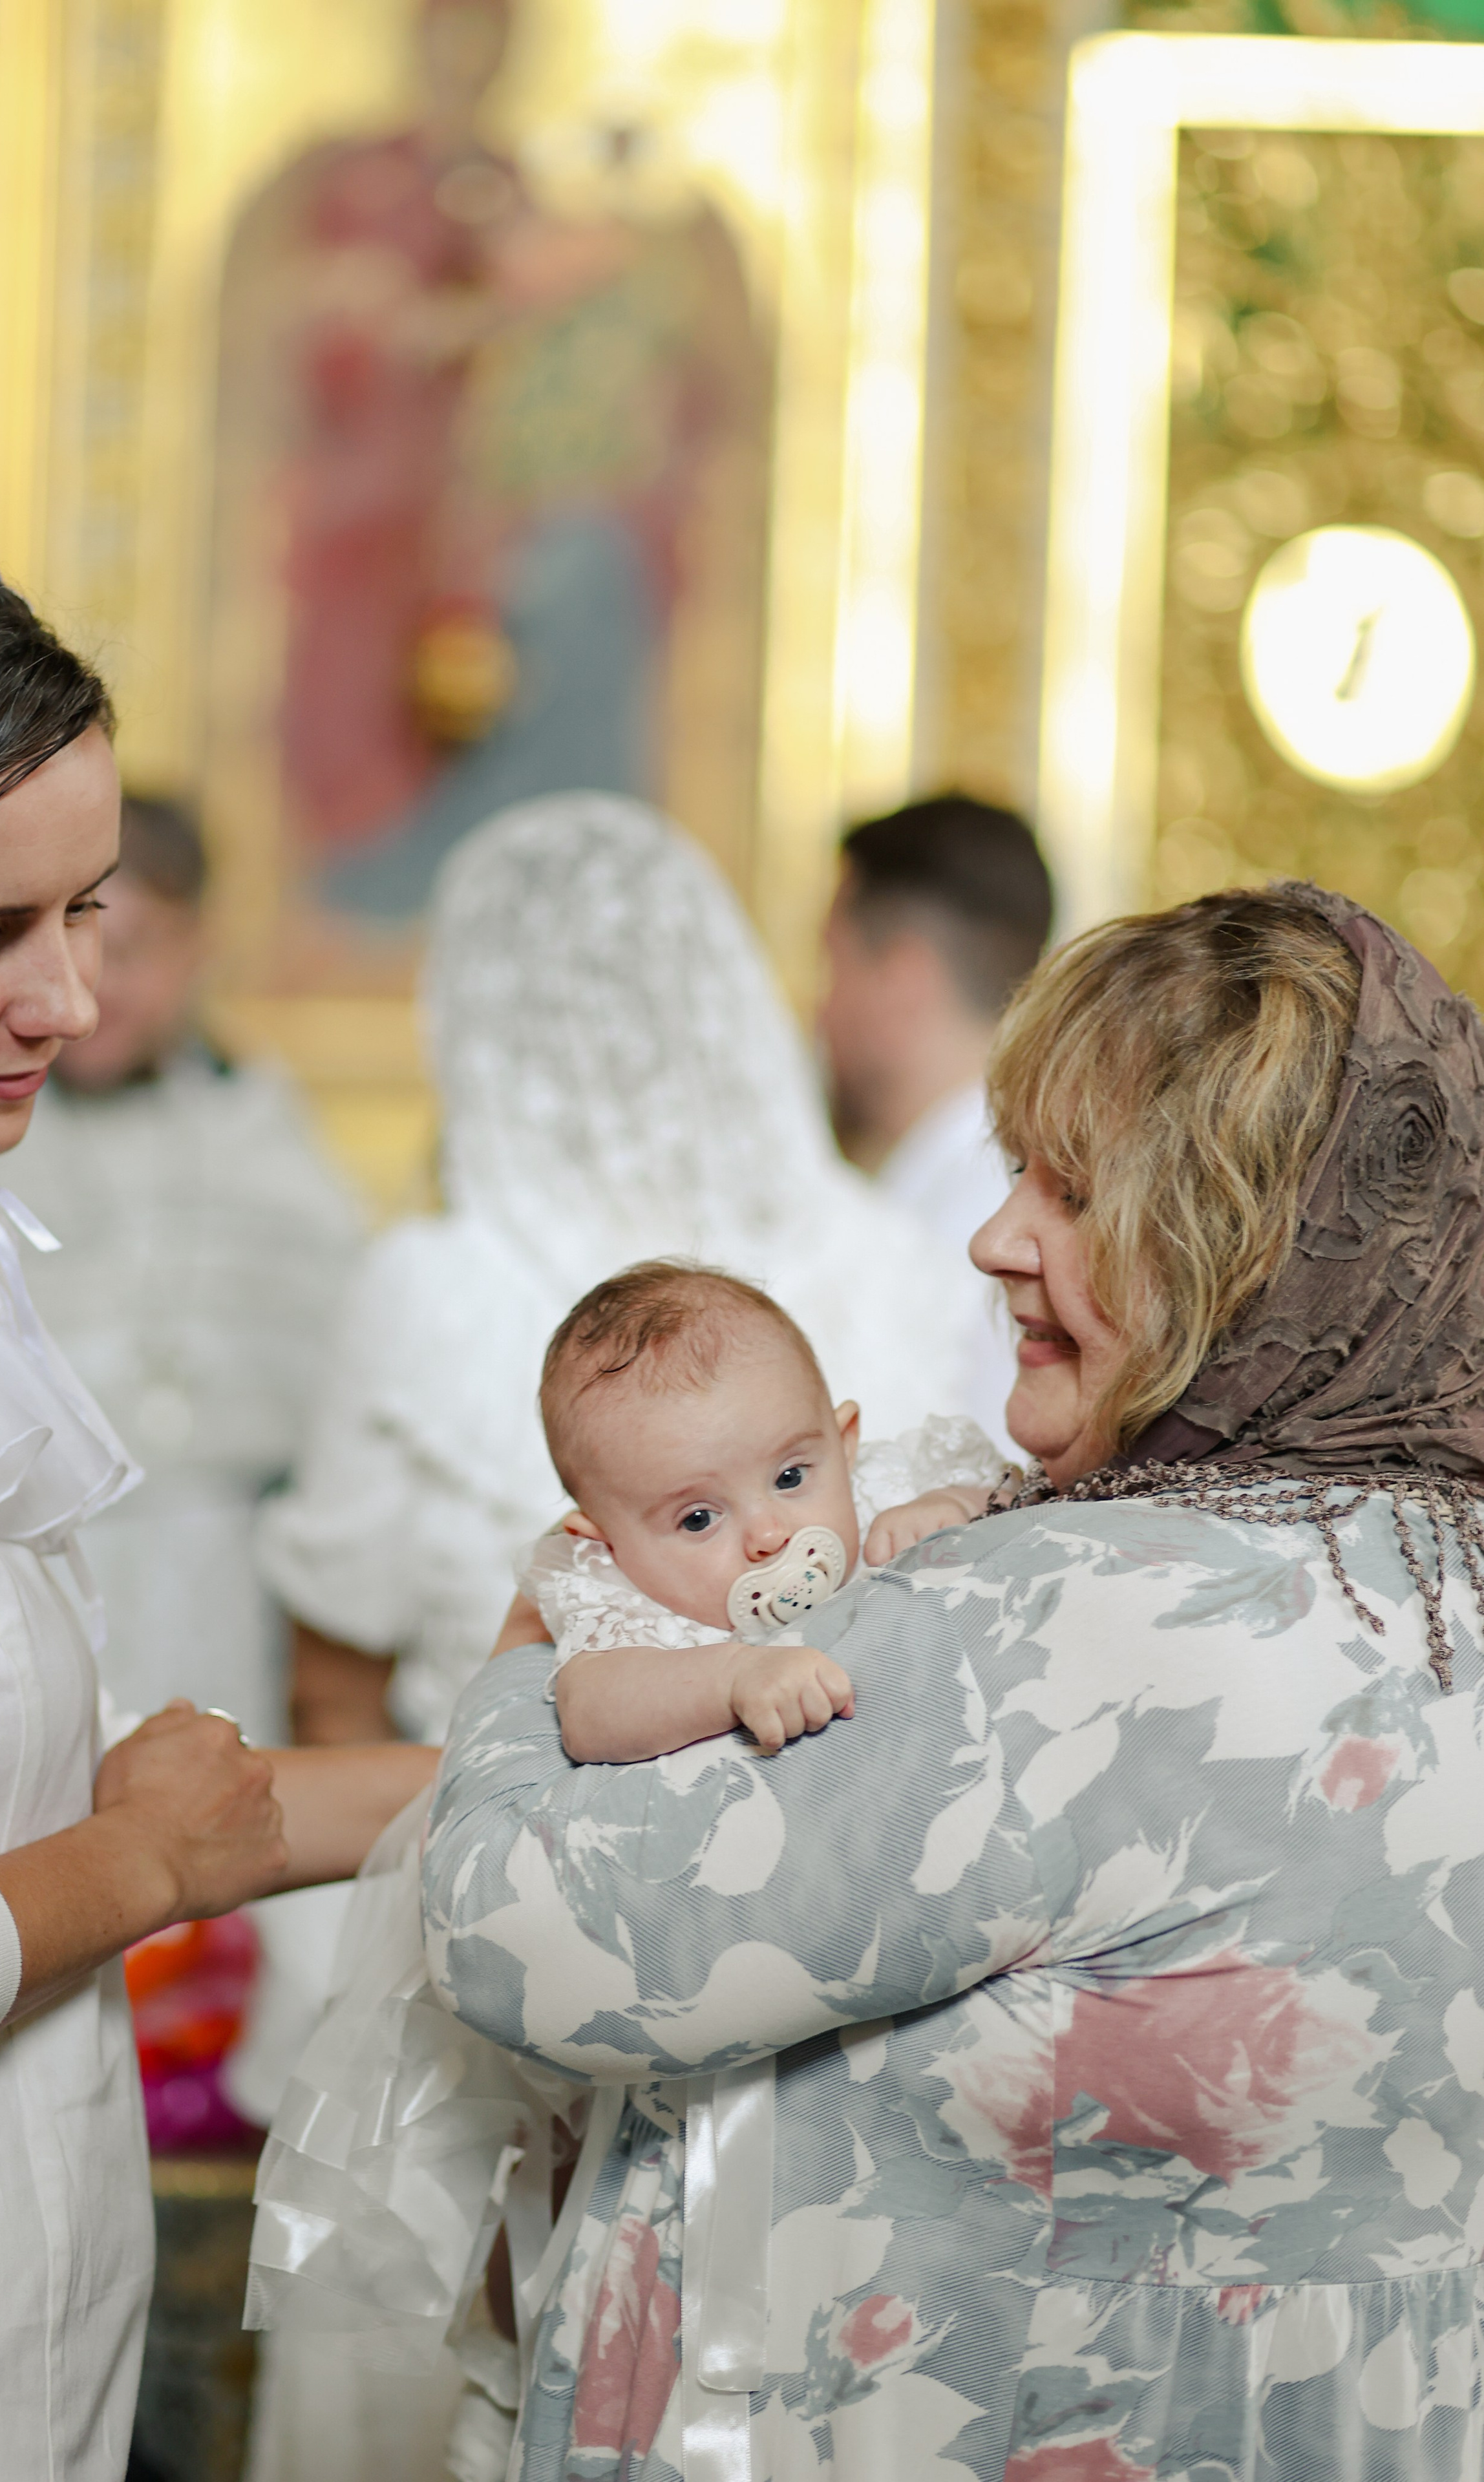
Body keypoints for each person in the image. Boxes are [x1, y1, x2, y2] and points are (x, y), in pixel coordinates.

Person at [423, 880, 1484, 2481]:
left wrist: (541, 1641)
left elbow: (522, 1937)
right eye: (1012, 1174)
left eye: (1072, 1191)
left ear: (1241, 1239)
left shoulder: (1045, 1622)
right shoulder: (1438, 1568)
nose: (993, 1239)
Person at [247, 790, 977, 2481]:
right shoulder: (873, 1254)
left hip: (487, 1948)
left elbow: (331, 1675)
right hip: (844, 1996)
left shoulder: (429, 1291)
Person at [0, 535, 435, 2482]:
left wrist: (545, 1743)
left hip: (0, 2283)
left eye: (87, 914)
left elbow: (51, 1778)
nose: (74, 998)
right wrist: (144, 1874)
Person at [6, 794, 366, 1746]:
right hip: (32, 1572)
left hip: (221, 1580)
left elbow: (339, 1370)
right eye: (82, 948)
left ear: (198, 947)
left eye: (136, 954)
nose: (102, 987)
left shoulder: (260, 1129)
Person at [532, 1261, 1002, 1764]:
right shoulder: (629, 1608)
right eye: (698, 1519)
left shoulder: (880, 1492)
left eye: (790, 1478)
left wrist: (951, 1506)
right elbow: (591, 1717)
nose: (769, 1534)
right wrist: (731, 1680)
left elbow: (1018, 1492)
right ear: (605, 1545)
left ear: (844, 1447)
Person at [819, 790, 1054, 1444]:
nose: (819, 1011)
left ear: (901, 974)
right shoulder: (1019, 1182)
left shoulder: (965, 1226)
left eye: (829, 962)